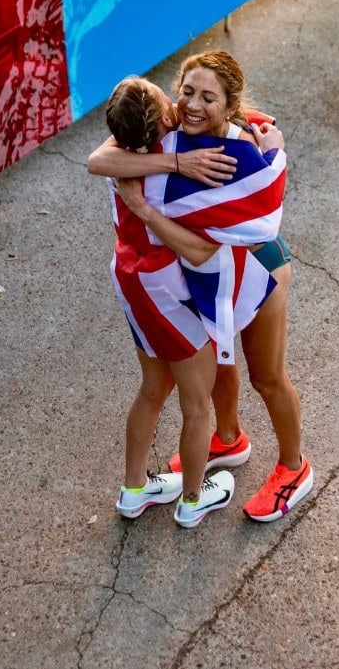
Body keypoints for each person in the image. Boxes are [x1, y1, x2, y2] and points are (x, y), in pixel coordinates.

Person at [88, 51, 313, 523]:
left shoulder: (241, 153)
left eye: (208, 97)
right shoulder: (166, 132)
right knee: (218, 364)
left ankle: (294, 468)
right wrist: (177, 162)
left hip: (255, 269)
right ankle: (227, 440)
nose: (192, 105)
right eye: (187, 91)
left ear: (230, 106)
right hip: (208, 278)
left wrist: (148, 211)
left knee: (265, 377)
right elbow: (100, 158)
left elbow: (248, 212)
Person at [101, 77, 236, 528]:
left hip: (129, 275)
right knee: (197, 402)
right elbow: (199, 250)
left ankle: (134, 489)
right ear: (161, 119)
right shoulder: (173, 174)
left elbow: (97, 158)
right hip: (162, 289)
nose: (176, 98)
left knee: (153, 389)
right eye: (166, 95)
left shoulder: (121, 154)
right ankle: (195, 499)